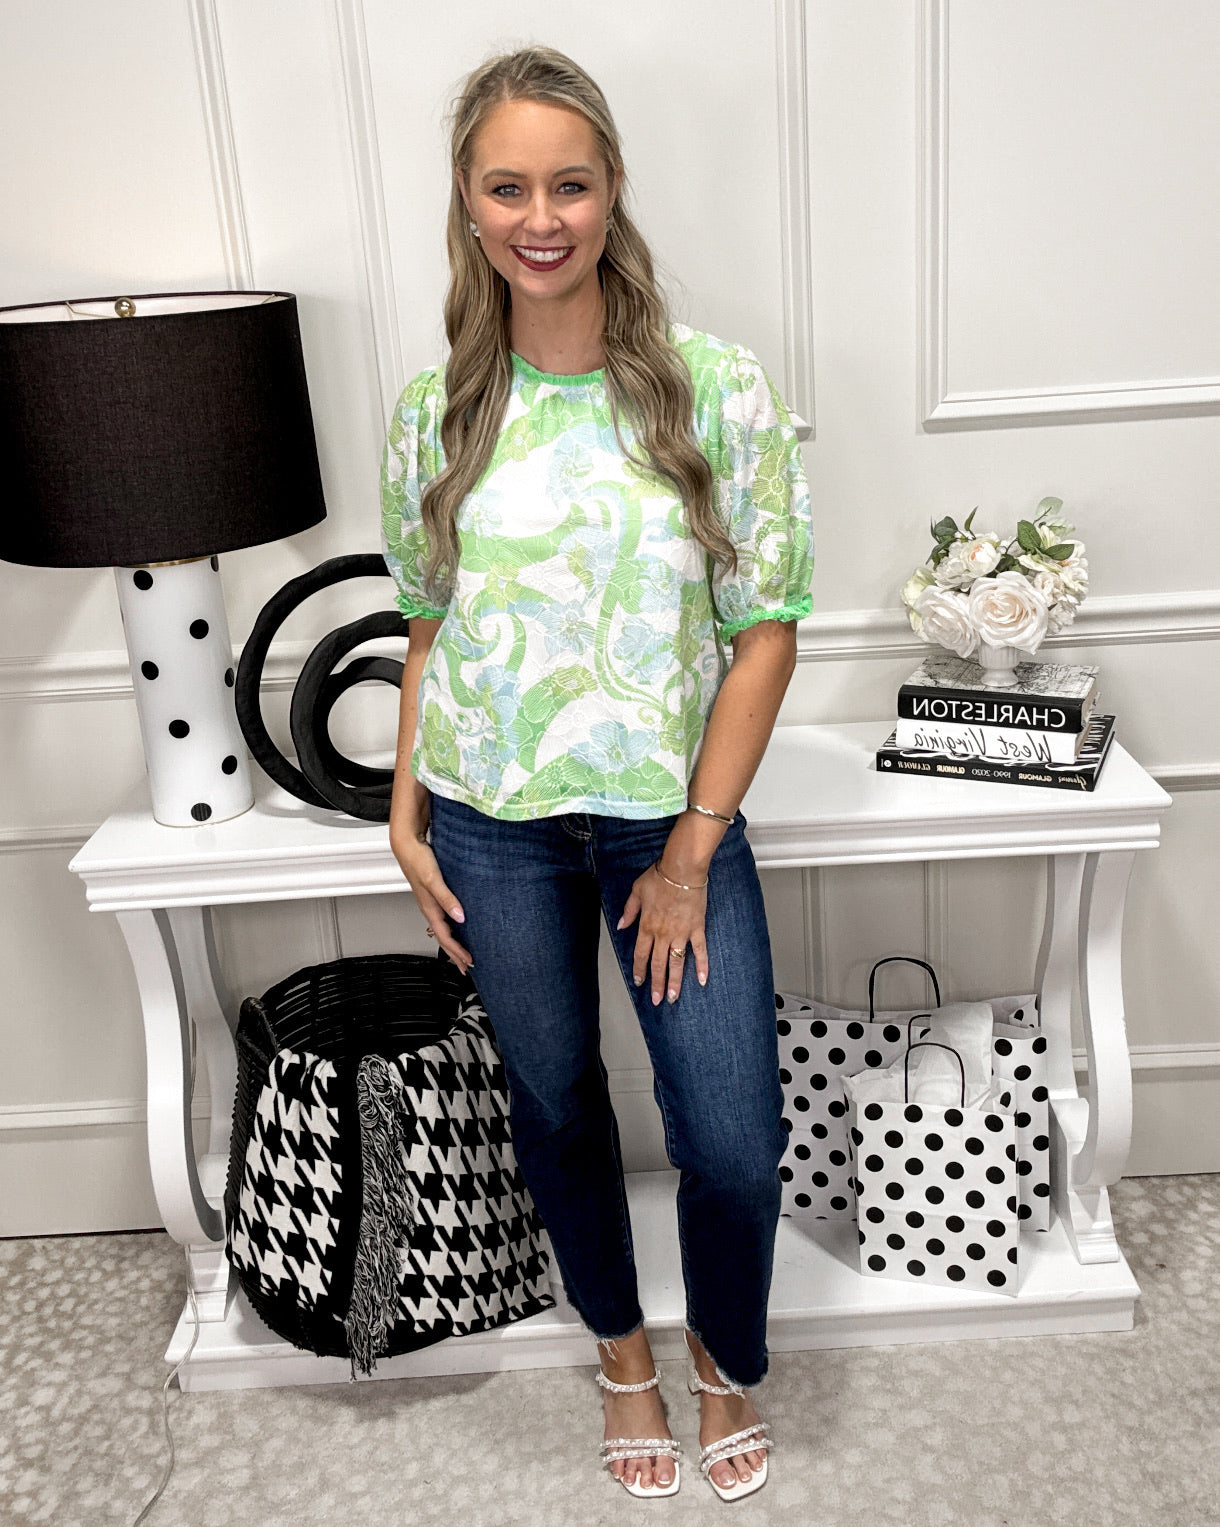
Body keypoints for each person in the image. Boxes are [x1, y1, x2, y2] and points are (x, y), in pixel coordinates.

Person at [382, 44, 813, 1502]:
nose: (540, 217)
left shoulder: (714, 388)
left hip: (664, 828)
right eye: (507, 187)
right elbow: (427, 624)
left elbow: (765, 631)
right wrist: (404, 811)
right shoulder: (437, 409)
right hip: (491, 828)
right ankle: (623, 1356)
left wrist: (692, 847)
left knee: (731, 1140)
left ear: (613, 186)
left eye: (568, 184)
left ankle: (722, 1357)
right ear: (468, 199)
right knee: (558, 1106)